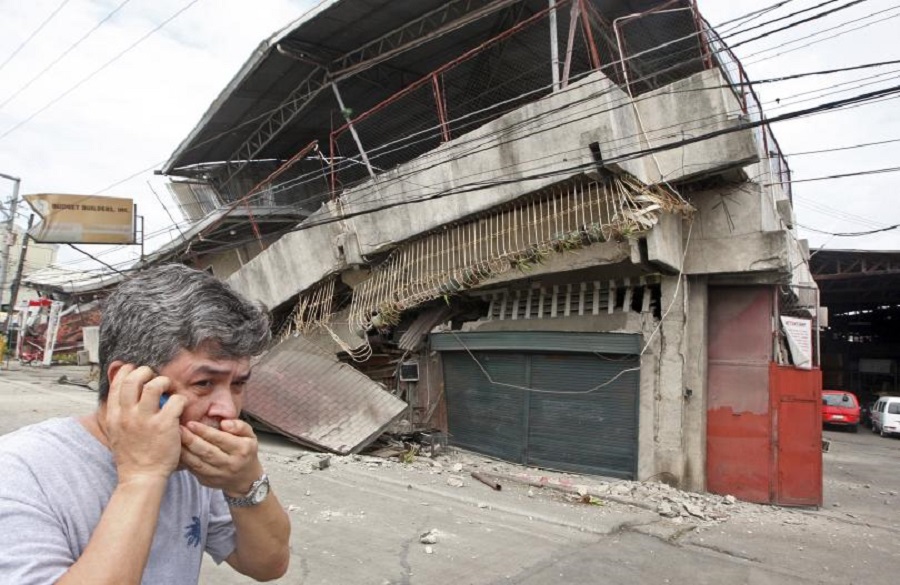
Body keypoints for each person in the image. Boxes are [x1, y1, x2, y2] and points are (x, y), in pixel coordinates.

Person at [0, 264, 291, 584]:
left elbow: (267, 565)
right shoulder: (18, 471)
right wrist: (142, 476)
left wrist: (245, 482)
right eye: (205, 383)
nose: (228, 410)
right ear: (128, 382)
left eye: (237, 385)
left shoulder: (193, 464)